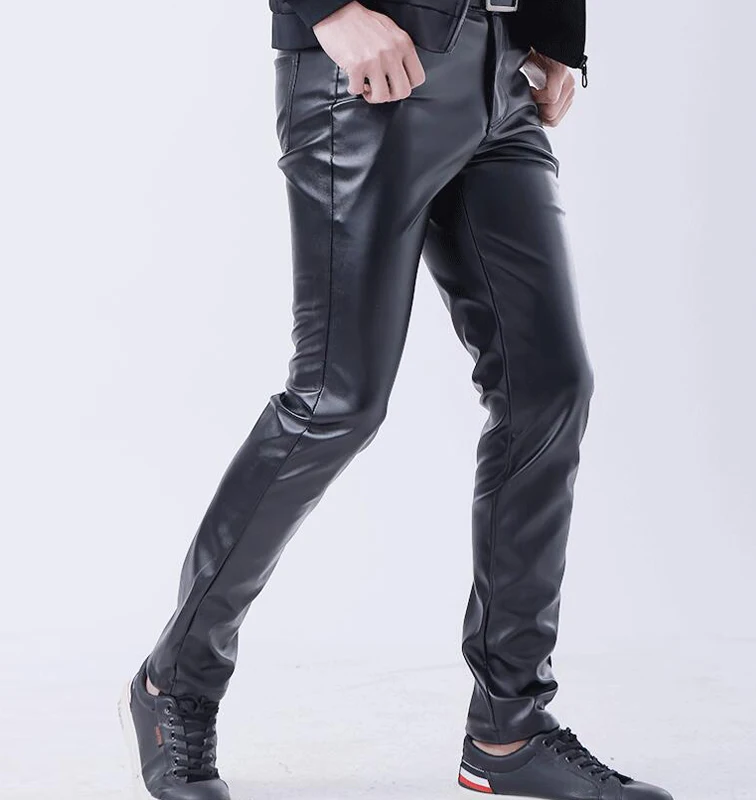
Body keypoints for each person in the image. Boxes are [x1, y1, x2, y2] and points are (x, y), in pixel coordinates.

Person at [118, 1, 673, 798]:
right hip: (374, 71)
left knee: (549, 388)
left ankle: (510, 727)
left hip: (503, 72)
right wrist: (327, 10)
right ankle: (176, 683)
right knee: (335, 400)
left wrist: (556, 32)